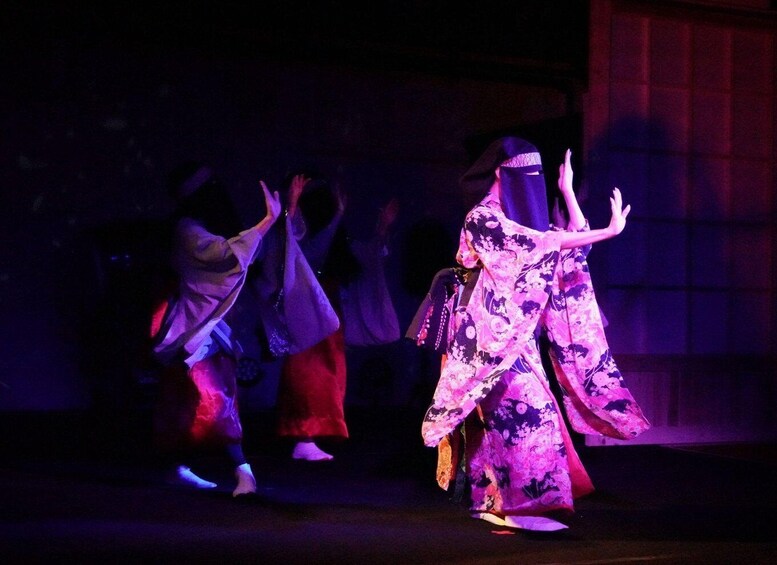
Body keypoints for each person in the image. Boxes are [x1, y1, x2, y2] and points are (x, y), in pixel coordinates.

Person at [421, 137, 651, 531]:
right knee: (527, 412)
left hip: (515, 333)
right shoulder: (483, 219)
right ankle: (527, 508)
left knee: (509, 414)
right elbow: (544, 244)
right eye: (525, 172)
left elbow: (565, 247)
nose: (532, 181)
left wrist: (568, 194)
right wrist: (608, 232)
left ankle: (491, 499)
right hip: (483, 333)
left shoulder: (518, 218)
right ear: (500, 171)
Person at [150, 162, 281, 496]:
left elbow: (242, 254)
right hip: (194, 327)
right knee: (210, 399)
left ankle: (181, 467)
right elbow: (223, 256)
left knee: (201, 400)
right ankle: (241, 472)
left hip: (210, 327)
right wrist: (266, 221)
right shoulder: (188, 229)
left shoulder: (200, 227)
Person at [276, 172, 399, 461]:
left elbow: (369, 256)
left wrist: (382, 228)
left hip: (328, 313)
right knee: (308, 372)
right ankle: (302, 437)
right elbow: (299, 244)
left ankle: (310, 437)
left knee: (329, 374)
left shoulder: (334, 239)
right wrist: (292, 206)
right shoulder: (306, 235)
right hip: (306, 311)